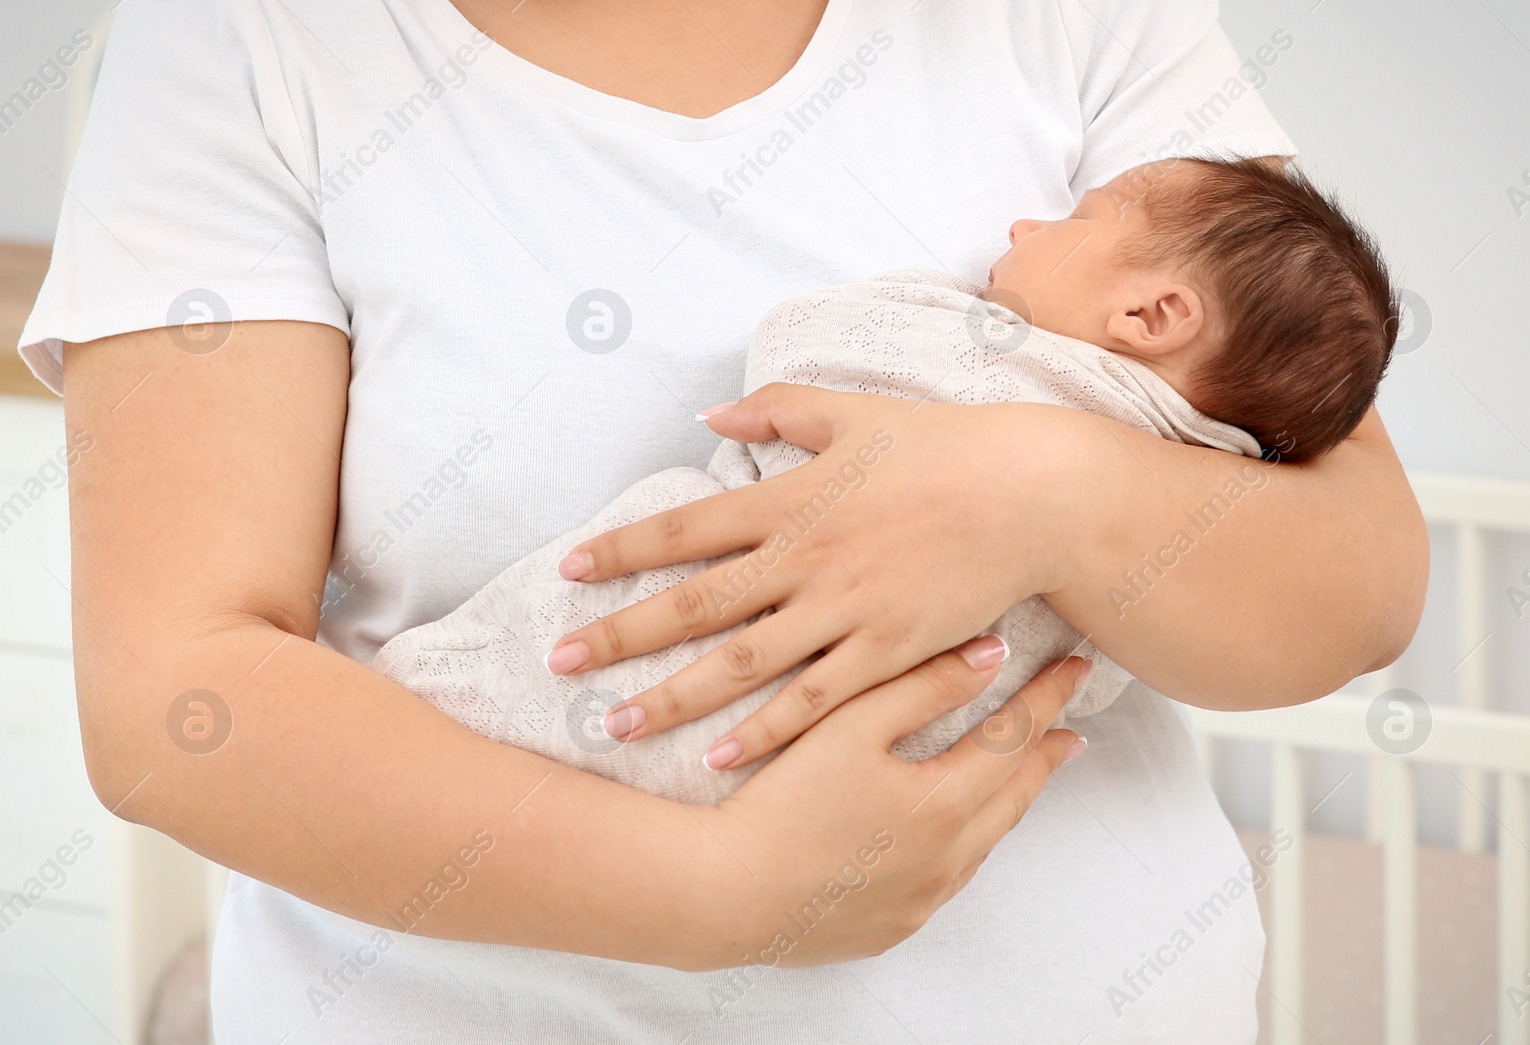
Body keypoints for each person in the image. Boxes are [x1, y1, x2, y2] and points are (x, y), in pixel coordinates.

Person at [19, 1, 1426, 1041]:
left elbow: (1358, 582)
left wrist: (1040, 491)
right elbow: (181, 703)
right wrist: (721, 891)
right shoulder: (249, 44)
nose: (1021, 238)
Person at [375, 155, 1398, 809]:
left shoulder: (990, 353)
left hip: (714, 667)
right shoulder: (1199, 490)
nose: (1020, 232)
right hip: (872, 784)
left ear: (1151, 318)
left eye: (1074, 219)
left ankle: (419, 701)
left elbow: (801, 358)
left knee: (522, 656)